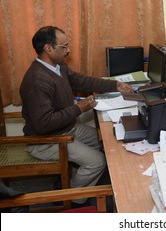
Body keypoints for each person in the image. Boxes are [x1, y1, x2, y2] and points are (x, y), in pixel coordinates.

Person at [19, 26, 134, 206]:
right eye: (64, 47)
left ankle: (72, 183)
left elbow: (81, 80)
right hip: (45, 140)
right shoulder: (37, 81)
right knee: (98, 162)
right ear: (48, 48)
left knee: (109, 142)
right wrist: (79, 108)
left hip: (66, 128)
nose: (68, 50)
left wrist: (115, 85)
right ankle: (70, 197)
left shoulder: (57, 67)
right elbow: (43, 124)